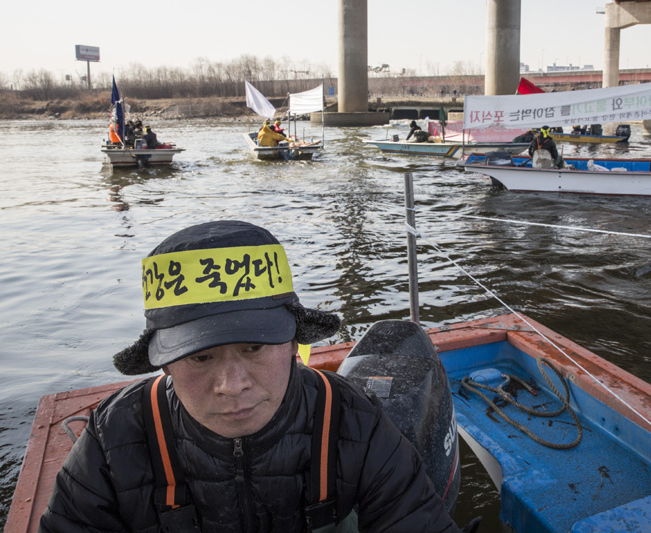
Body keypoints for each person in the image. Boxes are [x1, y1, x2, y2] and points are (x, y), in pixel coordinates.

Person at [40, 220, 465, 533]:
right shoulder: (112, 441)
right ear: (165, 363)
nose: (233, 384)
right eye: (201, 358)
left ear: (293, 343)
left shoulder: (356, 425)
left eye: (254, 347)